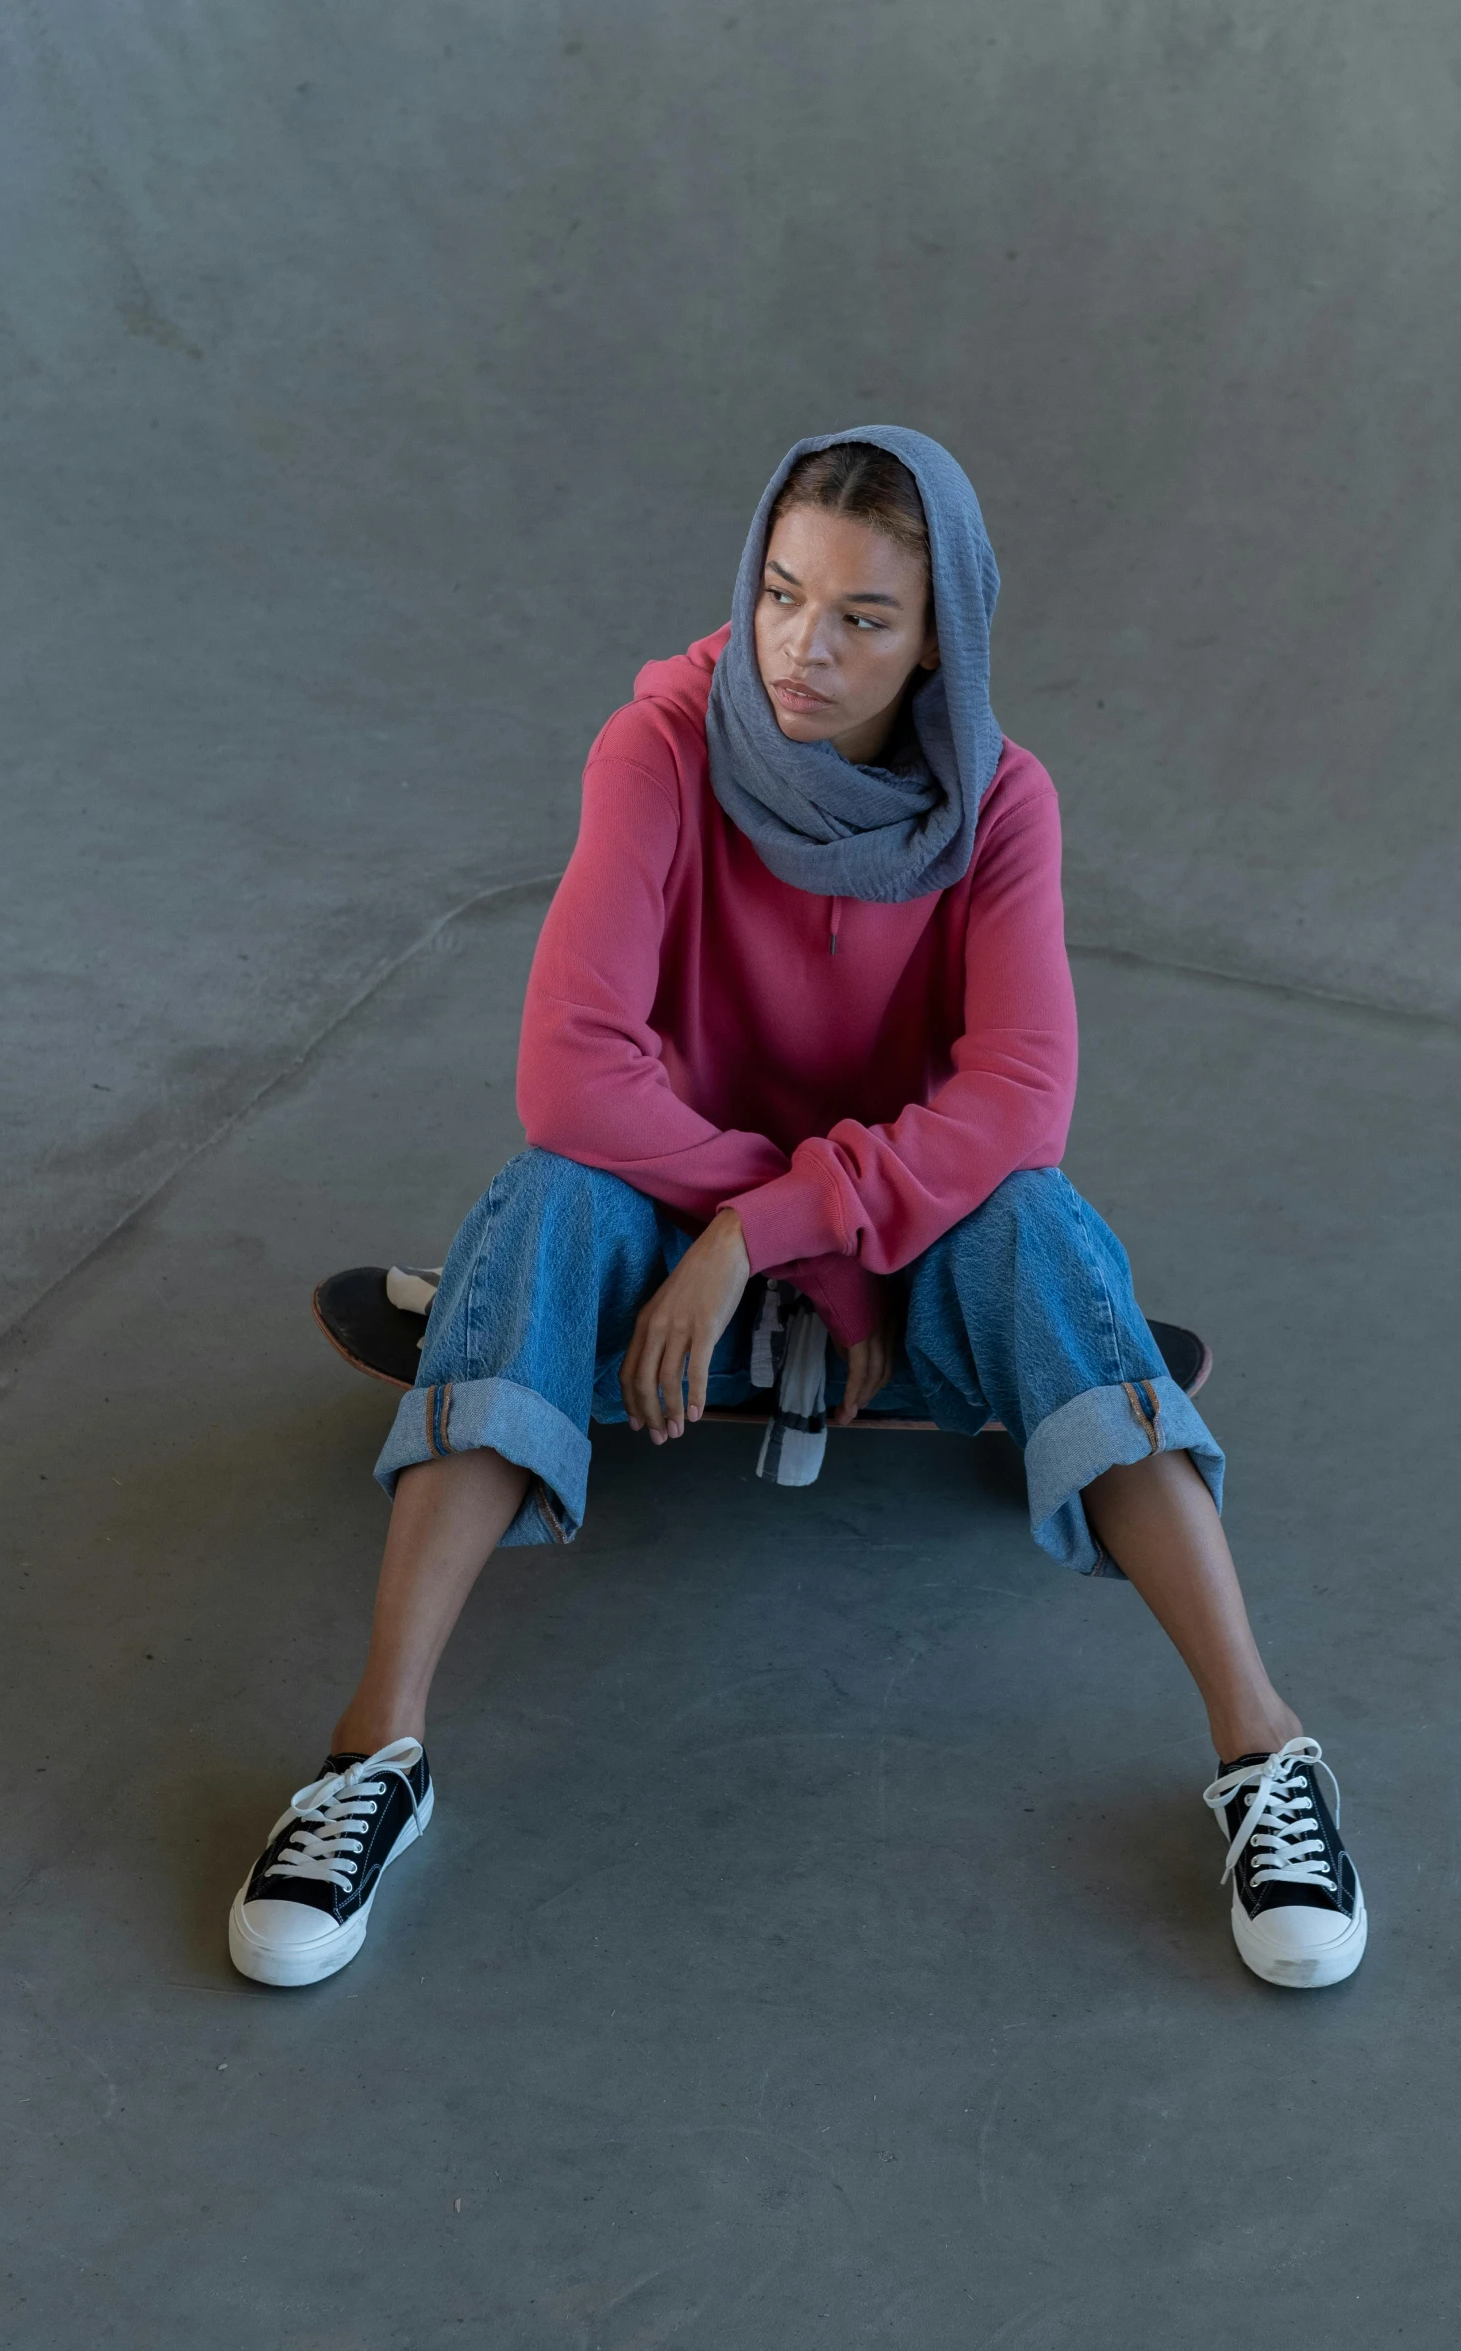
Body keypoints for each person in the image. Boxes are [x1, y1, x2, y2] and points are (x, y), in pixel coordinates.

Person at [228, 427, 1365, 1996]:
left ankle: (1267, 1754)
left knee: (1036, 1225)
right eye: (779, 592)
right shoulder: (658, 750)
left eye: (860, 619)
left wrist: (773, 1241)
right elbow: (574, 1076)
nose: (799, 650)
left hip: (881, 1235)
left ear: (940, 638)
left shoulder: (1002, 806)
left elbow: (1014, 1101)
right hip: (656, 1198)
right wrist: (734, 1225)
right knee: (546, 1201)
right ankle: (374, 1758)